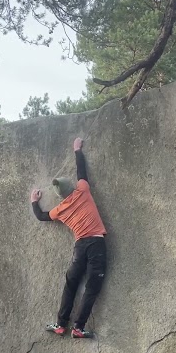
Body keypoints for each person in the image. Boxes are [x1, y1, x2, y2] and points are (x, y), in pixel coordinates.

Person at [30, 137, 108, 339]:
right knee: (92, 287)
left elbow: (41, 216)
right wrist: (76, 149)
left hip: (79, 246)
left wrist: (34, 201)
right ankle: (78, 328)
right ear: (72, 187)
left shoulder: (59, 210)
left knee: (71, 283)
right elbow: (81, 170)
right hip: (96, 244)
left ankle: (60, 324)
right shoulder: (83, 190)